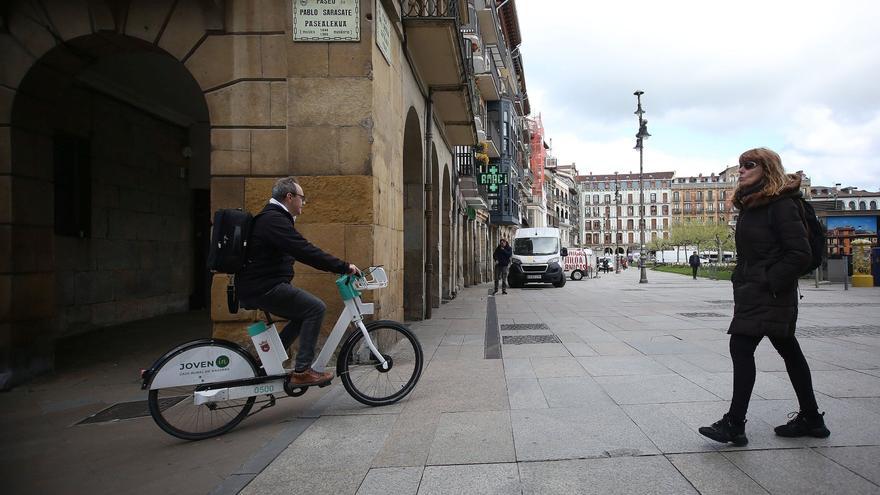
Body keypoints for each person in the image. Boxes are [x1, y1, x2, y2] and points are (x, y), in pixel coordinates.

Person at [699, 148, 829, 446]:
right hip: (759, 290)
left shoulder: (781, 204)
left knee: (741, 347)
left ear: (767, 169)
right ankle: (812, 417)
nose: (741, 171)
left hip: (766, 291)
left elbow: (800, 253)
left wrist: (767, 280)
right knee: (789, 350)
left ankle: (734, 424)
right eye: (741, 165)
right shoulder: (755, 203)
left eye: (749, 165)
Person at [236, 177, 360, 386]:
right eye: (302, 198)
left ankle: (270, 360)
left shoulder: (274, 218)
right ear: (289, 197)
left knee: (302, 315)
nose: (304, 202)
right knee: (315, 308)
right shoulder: (273, 220)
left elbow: (301, 250)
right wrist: (343, 266)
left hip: (261, 286)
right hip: (263, 287)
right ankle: (302, 372)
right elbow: (305, 251)